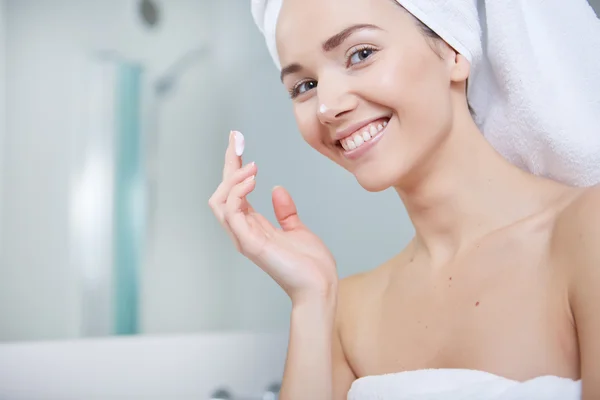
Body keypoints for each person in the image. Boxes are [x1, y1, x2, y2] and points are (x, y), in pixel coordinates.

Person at [209, 0, 600, 398]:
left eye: (360, 54)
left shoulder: (586, 236)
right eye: (304, 86)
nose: (327, 106)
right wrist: (311, 300)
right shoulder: (347, 312)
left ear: (452, 51)